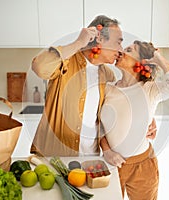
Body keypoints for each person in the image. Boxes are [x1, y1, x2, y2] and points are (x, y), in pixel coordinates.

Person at [100, 41, 169, 199]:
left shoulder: (150, 89)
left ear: (142, 62)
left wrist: (157, 57)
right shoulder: (107, 89)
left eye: (129, 50)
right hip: (112, 163)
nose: (121, 52)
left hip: (143, 165)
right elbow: (99, 127)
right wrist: (107, 151)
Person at [30, 15, 124, 156]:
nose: (121, 49)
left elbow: (109, 117)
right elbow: (40, 67)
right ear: (99, 39)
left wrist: (147, 120)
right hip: (56, 156)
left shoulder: (108, 75)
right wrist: (79, 42)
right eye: (118, 42)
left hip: (90, 157)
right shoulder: (66, 62)